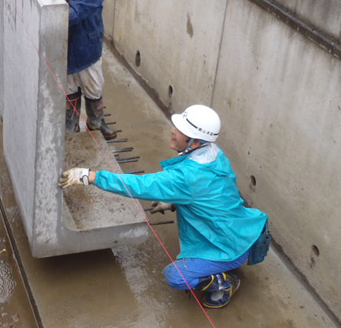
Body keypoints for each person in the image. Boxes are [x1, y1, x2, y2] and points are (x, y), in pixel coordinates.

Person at [58, 105, 270, 309]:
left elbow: (139, 185)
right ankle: (222, 265)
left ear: (195, 142)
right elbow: (212, 194)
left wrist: (90, 176)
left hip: (228, 245)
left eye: (181, 131)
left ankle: (224, 282)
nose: (173, 132)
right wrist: (173, 200)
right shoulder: (213, 153)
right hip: (243, 230)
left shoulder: (187, 177)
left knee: (176, 277)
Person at [10, 0, 116, 139]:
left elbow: (77, 11)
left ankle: (97, 122)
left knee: (93, 86)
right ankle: (71, 125)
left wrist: (41, 17)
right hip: (62, 38)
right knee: (67, 85)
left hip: (86, 41)